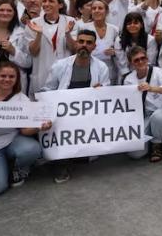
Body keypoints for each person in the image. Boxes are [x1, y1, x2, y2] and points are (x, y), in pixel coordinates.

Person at [39, 29, 111, 183]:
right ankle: (61, 164)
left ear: (94, 47)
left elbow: (107, 95)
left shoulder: (101, 68)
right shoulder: (60, 65)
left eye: (89, 43)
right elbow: (47, 90)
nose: (84, 45)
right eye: (81, 41)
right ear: (76, 43)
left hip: (88, 116)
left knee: (84, 159)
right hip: (63, 116)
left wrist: (101, 91)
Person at [0, 61, 49, 197]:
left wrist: (39, 126)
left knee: (32, 149)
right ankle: (1, 168)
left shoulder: (21, 99)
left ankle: (15, 168)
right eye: (3, 76)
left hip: (11, 140)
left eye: (11, 77)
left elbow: (24, 130)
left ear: (16, 79)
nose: (7, 80)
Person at [123, 46, 162, 163]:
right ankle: (150, 139)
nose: (140, 61)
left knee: (158, 116)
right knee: (135, 154)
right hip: (144, 116)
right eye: (136, 60)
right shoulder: (128, 79)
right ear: (131, 63)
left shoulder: (157, 71)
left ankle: (156, 144)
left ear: (147, 58)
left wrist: (152, 88)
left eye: (142, 58)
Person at [26, 0, 76, 96]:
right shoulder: (34, 23)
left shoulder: (70, 21)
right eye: (44, 1)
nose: (46, 4)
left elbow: (74, 49)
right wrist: (39, 34)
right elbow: (33, 52)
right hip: (42, 72)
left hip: (65, 72)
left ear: (60, 5)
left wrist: (67, 34)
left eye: (51, 1)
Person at [74, 0, 120, 84]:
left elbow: (120, 50)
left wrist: (115, 52)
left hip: (110, 70)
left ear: (106, 11)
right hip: (88, 69)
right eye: (94, 8)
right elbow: (77, 48)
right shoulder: (83, 28)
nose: (97, 11)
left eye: (100, 8)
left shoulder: (114, 29)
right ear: (91, 12)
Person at [0, 0, 31, 90]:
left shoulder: (22, 33)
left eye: (9, 10)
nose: (5, 13)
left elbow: (28, 63)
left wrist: (13, 51)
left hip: (14, 83)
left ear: (14, 14)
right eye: (1, 10)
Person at [114, 12, 156, 81]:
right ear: (125, 26)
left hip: (146, 74)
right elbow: (121, 62)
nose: (132, 25)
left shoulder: (150, 40)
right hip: (125, 74)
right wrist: (129, 77)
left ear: (141, 25)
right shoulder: (119, 40)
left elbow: (150, 61)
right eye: (129, 23)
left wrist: (142, 75)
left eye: (135, 23)